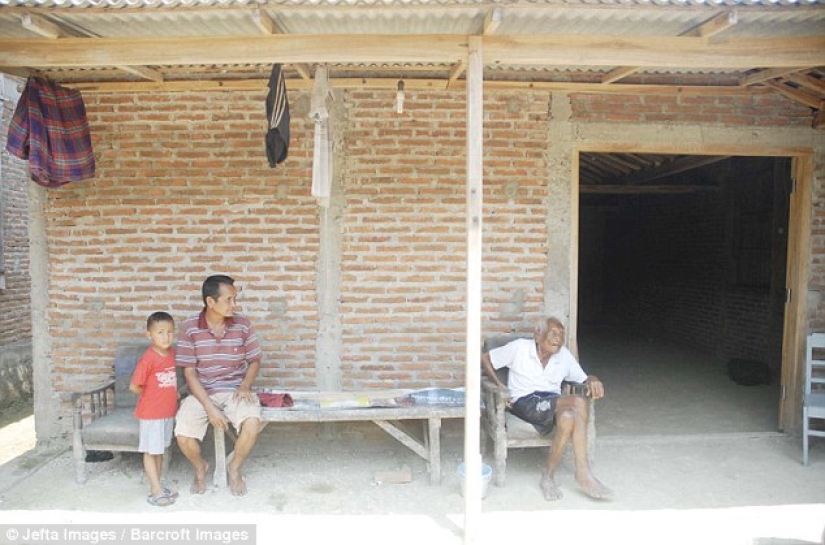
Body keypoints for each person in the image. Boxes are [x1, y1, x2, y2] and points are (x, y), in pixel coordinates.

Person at [481, 316, 612, 501]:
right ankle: (583, 473)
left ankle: (548, 477)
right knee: (579, 402)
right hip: (524, 401)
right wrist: (499, 384)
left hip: (550, 402)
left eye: (561, 334)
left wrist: (593, 380)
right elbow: (485, 358)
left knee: (568, 416)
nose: (558, 339)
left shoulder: (563, 355)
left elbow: (584, 378)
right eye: (554, 333)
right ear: (538, 335)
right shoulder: (519, 348)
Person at [175, 274, 263, 496]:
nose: (234, 304)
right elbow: (189, 373)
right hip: (201, 392)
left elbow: (254, 360)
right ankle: (200, 467)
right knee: (183, 435)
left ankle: (234, 468)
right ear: (210, 301)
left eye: (235, 299)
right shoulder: (190, 328)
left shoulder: (242, 324)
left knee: (252, 423)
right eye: (228, 300)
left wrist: (245, 385)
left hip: (235, 390)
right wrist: (209, 407)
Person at [129, 311, 179, 507]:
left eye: (170, 332)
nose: (166, 337)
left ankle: (157, 485)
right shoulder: (148, 359)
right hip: (151, 414)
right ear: (149, 335)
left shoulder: (171, 353)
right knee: (151, 452)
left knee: (159, 451)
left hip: (167, 412)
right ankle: (156, 490)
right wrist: (153, 396)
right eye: (160, 332)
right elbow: (134, 386)